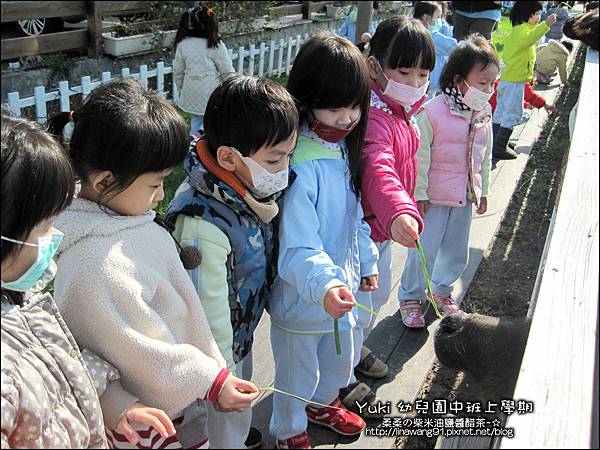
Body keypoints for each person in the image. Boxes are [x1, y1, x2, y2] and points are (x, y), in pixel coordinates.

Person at [47, 78, 259, 449]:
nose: (161, 194)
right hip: (147, 420)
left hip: (175, 400)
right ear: (104, 180)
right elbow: (136, 349)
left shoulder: (120, 216)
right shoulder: (94, 262)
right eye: (155, 183)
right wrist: (206, 378)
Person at [1, 113, 176, 448]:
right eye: (46, 225)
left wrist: (115, 403)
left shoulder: (23, 299)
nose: (56, 235)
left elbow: (61, 361)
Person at [165, 75, 299, 449]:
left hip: (239, 337)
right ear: (228, 157)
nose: (284, 168)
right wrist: (220, 377)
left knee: (237, 420)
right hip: (216, 360)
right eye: (274, 159)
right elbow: (206, 312)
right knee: (220, 427)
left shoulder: (241, 191)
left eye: (289, 155)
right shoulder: (203, 221)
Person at [268, 32, 379, 449]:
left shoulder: (340, 148)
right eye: (335, 108)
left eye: (355, 106)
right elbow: (297, 245)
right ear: (306, 99)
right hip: (304, 295)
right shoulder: (299, 164)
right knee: (297, 373)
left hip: (338, 288)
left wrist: (366, 260)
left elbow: (354, 220)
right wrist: (325, 283)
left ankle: (323, 402)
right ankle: (289, 429)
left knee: (335, 361)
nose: (348, 118)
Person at [400, 35, 499, 321]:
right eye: (482, 83)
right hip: (432, 198)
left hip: (465, 196)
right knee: (424, 250)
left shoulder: (483, 113)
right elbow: (419, 158)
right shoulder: (432, 111)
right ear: (459, 80)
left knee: (457, 250)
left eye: (492, 83)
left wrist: (484, 189)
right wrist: (418, 194)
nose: (488, 90)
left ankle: (441, 289)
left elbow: (485, 154)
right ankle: (410, 296)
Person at [360, 15, 436, 329]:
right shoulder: (376, 117)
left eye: (423, 74)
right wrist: (399, 209)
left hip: (385, 223)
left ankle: (355, 351)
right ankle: (346, 363)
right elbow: (379, 169)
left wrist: (411, 198)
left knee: (374, 299)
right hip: (370, 227)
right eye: (404, 72)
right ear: (375, 67)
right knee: (364, 301)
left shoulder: (400, 108)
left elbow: (407, 163)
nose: (415, 84)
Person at [492, 2, 556, 160]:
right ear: (527, 15)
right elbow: (530, 39)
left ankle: (496, 142)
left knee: (501, 113)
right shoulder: (523, 32)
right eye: (536, 15)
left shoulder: (518, 31)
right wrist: (545, 25)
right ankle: (499, 147)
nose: (538, 18)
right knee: (513, 114)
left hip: (508, 79)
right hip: (514, 81)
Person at [174, 6, 235, 137]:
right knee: (212, 122)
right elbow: (227, 72)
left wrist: (181, 88)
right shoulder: (215, 44)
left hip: (190, 92)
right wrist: (231, 90)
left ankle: (193, 144)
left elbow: (178, 71)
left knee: (196, 120)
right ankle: (204, 146)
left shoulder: (183, 44)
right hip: (210, 94)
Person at [413, 1, 458, 100]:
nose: (440, 21)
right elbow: (454, 47)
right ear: (426, 18)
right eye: (437, 17)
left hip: (416, 82)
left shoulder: (411, 33)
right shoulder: (432, 37)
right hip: (428, 83)